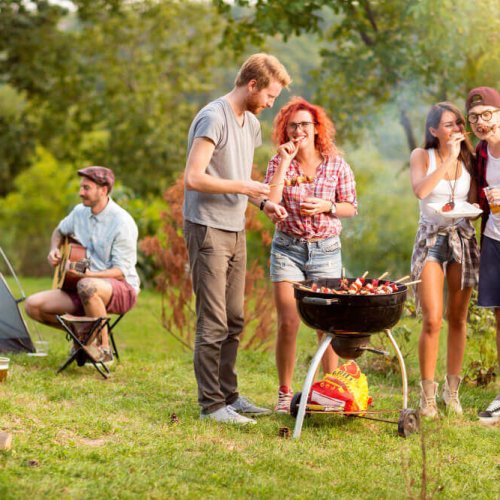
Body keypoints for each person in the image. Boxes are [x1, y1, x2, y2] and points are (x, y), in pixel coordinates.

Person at [183, 53, 291, 425]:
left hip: (235, 226)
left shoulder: (251, 125)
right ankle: (211, 405)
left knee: (234, 318)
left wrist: (261, 203)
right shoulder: (214, 117)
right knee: (212, 320)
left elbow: (237, 177)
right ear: (252, 85)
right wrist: (245, 185)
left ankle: (229, 396)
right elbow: (194, 177)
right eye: (270, 96)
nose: (270, 103)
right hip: (207, 226)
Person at [264, 97, 358, 413]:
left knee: (326, 325)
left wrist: (326, 206)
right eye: (293, 125)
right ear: (285, 130)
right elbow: (270, 202)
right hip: (288, 248)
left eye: (305, 124)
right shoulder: (279, 161)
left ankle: (327, 392)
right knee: (289, 322)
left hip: (326, 250)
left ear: (316, 128)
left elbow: (350, 206)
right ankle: (284, 393)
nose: (299, 130)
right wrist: (283, 162)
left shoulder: (336, 163)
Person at [25, 166, 140, 364]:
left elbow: (121, 271)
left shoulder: (122, 222)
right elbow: (59, 232)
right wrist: (54, 249)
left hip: (120, 287)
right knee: (33, 306)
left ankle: (104, 350)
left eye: (86, 188)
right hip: (80, 285)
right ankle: (85, 337)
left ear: (103, 190)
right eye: (81, 188)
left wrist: (90, 275)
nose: (80, 193)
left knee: (87, 286)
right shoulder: (79, 212)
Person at [410, 102, 478, 418]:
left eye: (457, 124)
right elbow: (421, 191)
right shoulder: (422, 156)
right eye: (448, 125)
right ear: (434, 130)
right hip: (431, 240)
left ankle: (452, 394)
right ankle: (427, 396)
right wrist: (448, 157)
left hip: (463, 238)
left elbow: (476, 202)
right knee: (433, 318)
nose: (455, 130)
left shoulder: (470, 158)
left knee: (458, 317)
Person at [466, 86, 500, 425]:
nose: (480, 121)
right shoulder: (481, 152)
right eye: (474, 117)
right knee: (499, 319)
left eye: (487, 114)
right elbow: (480, 196)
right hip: (493, 239)